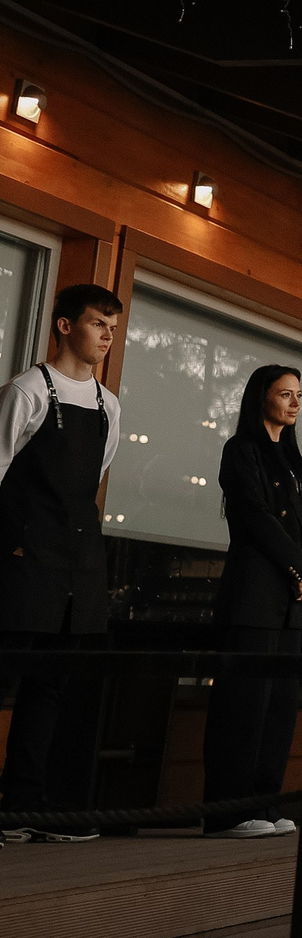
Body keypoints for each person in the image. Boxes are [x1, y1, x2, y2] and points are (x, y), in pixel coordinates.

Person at [0, 283, 123, 840]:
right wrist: (12, 544)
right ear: (65, 325)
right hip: (24, 559)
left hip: (79, 564)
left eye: (113, 329)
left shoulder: (107, 404)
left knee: (50, 686)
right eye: (99, 324)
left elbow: (91, 483)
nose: (107, 337)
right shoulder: (27, 390)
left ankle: (23, 806)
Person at [203, 363, 302, 839]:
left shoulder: (295, 460)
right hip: (254, 592)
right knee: (244, 703)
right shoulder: (241, 450)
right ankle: (230, 811)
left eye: (298, 394)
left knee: (279, 704)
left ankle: (266, 803)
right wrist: (299, 568)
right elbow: (254, 518)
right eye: (285, 393)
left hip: (293, 600)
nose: (295, 402)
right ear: (261, 398)